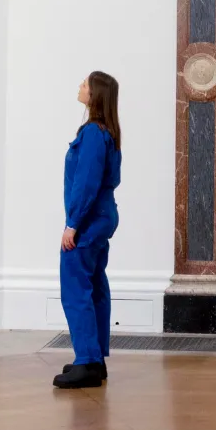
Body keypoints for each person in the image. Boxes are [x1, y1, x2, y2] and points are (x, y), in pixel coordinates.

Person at [54, 71, 122, 390]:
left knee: (76, 287)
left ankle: (87, 362)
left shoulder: (94, 133)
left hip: (89, 219)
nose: (80, 87)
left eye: (85, 84)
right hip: (102, 216)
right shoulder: (106, 131)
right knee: (94, 286)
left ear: (95, 94)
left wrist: (72, 224)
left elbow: (86, 183)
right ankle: (94, 358)